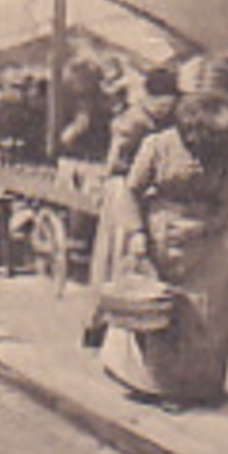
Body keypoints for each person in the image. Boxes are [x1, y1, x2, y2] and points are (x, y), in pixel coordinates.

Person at [100, 61, 228, 408]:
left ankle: (202, 386)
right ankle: (161, 385)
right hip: (160, 234)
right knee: (165, 311)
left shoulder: (223, 155)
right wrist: (137, 234)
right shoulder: (157, 145)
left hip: (208, 244)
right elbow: (130, 190)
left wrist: (207, 226)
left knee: (206, 314)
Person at [83, 66, 181, 348]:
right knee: (118, 256)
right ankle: (100, 324)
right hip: (124, 192)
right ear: (149, 98)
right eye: (161, 101)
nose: (166, 107)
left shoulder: (167, 122)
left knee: (143, 263)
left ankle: (138, 328)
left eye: (170, 101)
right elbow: (115, 164)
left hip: (148, 194)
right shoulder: (132, 122)